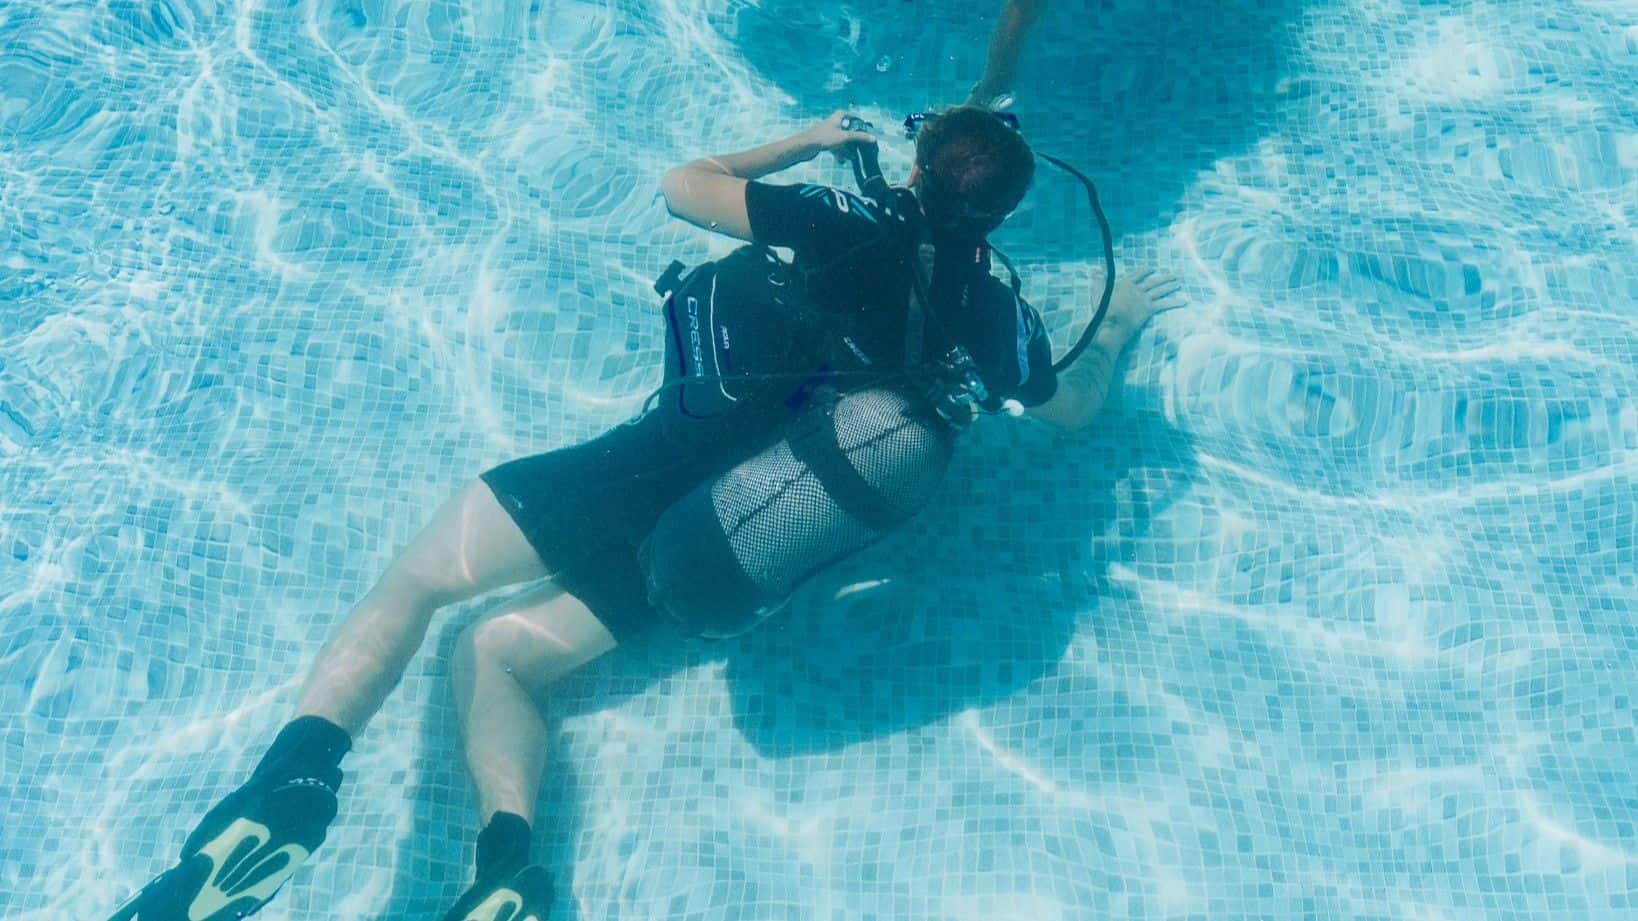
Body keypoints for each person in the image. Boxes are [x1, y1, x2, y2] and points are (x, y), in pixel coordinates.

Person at [104, 38, 1183, 921]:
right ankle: (504, 869)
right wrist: (1120, 319)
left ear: (915, 166)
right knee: (498, 657)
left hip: (638, 469)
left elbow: (683, 185)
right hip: (725, 526)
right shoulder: (993, 312)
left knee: (420, 587)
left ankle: (290, 787)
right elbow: (1071, 406)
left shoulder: (835, 218)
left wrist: (809, 139)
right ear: (1003, 217)